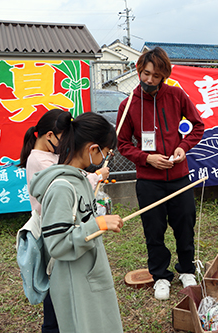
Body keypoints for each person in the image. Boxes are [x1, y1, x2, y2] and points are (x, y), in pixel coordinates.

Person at [116, 47, 204, 300]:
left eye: (156, 76)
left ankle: (186, 269)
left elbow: (198, 126)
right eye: (146, 74)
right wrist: (147, 158)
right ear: (138, 70)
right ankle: (160, 276)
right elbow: (123, 144)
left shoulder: (176, 95)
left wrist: (182, 147)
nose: (150, 80)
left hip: (180, 178)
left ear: (164, 75)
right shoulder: (128, 104)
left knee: (185, 225)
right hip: (148, 181)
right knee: (153, 230)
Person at [29, 112, 124, 333]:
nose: (104, 159)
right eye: (106, 153)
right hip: (74, 280)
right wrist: (98, 224)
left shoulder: (80, 179)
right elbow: (57, 244)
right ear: (93, 149)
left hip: (88, 272)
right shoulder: (62, 187)